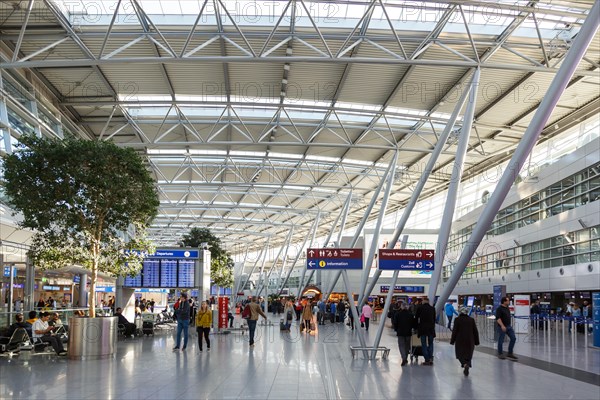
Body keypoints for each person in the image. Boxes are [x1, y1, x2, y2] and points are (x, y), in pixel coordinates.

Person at [450, 306, 480, 376]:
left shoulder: (457, 319)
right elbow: (475, 331)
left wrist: (452, 341)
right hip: (470, 340)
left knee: (460, 354)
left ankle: (464, 364)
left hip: (460, 339)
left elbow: (454, 331)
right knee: (469, 354)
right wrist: (477, 341)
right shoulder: (471, 320)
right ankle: (467, 364)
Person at [415, 297, 436, 365]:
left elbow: (416, 318)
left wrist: (416, 327)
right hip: (431, 329)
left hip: (422, 329)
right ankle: (430, 358)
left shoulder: (420, 308)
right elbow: (434, 319)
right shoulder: (432, 309)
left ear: (423, 301)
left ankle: (427, 359)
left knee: (424, 344)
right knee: (431, 343)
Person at [495, 296, 517, 360]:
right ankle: (500, 353)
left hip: (508, 326)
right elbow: (498, 318)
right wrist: (502, 326)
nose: (508, 302)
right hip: (502, 327)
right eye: (507, 301)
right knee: (501, 340)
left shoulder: (507, 308)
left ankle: (510, 353)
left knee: (513, 338)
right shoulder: (499, 309)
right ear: (504, 301)